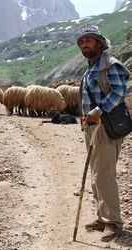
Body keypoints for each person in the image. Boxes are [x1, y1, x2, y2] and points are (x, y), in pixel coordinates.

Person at [77, 26, 130, 242]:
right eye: (81, 42)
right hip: (91, 127)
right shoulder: (90, 68)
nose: (85, 44)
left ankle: (114, 222)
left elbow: (120, 91)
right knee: (95, 174)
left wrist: (98, 110)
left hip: (105, 126)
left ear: (100, 43)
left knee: (104, 175)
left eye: (89, 40)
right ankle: (102, 217)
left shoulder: (110, 64)